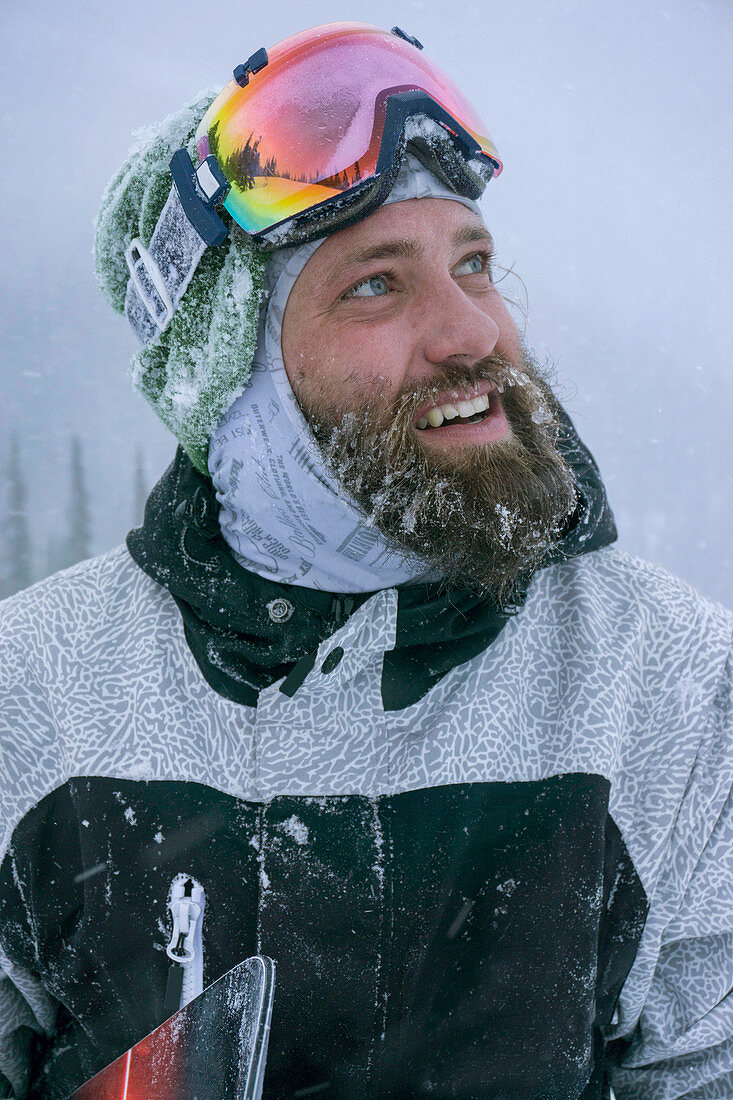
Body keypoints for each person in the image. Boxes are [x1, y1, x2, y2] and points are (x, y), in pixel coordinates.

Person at [0, 21, 730, 1100]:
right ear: (230, 373)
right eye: (376, 285)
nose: (472, 329)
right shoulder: (36, 692)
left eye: (473, 262)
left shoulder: (661, 683)